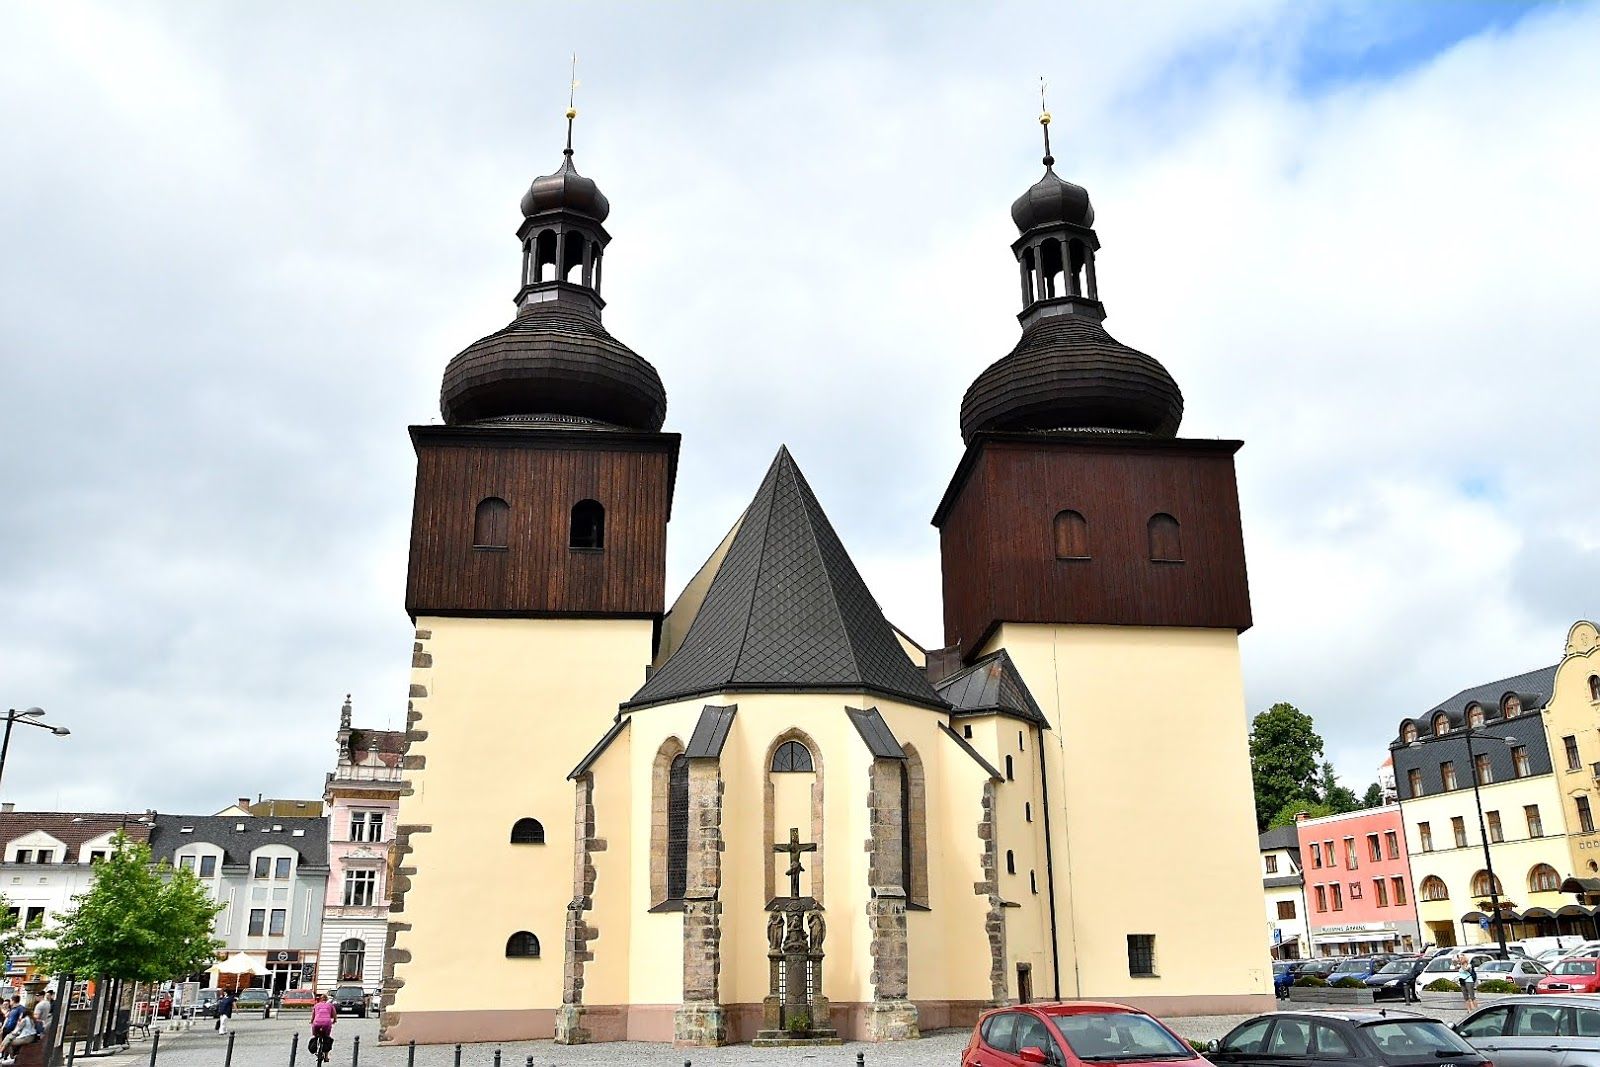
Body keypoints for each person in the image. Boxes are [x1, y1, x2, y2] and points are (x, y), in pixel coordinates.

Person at [309, 994, 336, 1059]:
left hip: (317, 1023)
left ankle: (315, 1048)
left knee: (315, 1036)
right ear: (327, 999)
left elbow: (313, 1015)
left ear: (320, 999)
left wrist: (312, 1021)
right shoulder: (330, 1005)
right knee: (327, 1037)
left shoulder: (316, 1005)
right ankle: (326, 1056)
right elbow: (334, 1014)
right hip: (327, 1023)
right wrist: (334, 1020)